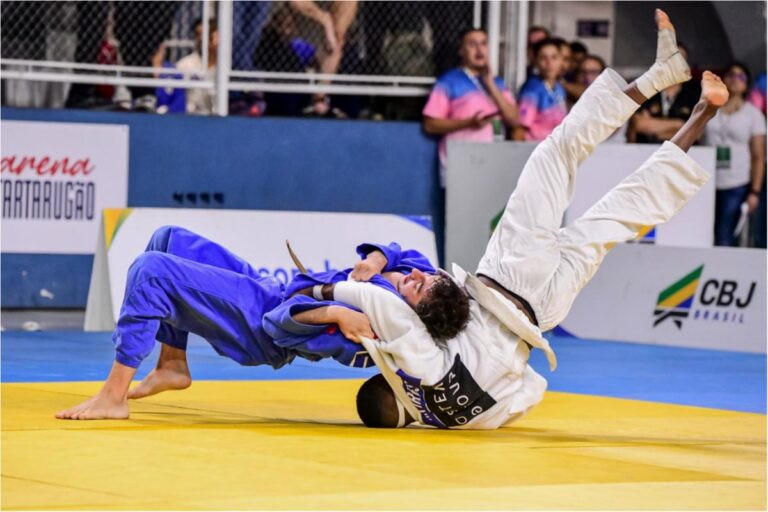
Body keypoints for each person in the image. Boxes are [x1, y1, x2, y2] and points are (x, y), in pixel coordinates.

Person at [335, 10, 728, 429]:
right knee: (557, 154)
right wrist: (336, 293)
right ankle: (657, 76)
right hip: (508, 278)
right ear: (392, 387)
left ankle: (701, 113)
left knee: (620, 215)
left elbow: (529, 392)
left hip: (544, 315)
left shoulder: (472, 420)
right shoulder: (418, 366)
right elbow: (375, 304)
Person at [55, 226, 469, 420]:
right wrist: (379, 260)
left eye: (417, 287)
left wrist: (336, 312)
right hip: (271, 289)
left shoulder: (378, 324)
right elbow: (403, 252)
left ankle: (113, 395)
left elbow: (280, 327)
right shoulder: (415, 275)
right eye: (425, 277)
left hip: (261, 327)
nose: (415, 276)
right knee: (167, 239)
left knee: (152, 270)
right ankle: (172, 364)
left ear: (413, 313)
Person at [422, 27, 519, 186]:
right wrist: (468, 123)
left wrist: (491, 85)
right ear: (461, 50)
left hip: (493, 162)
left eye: (483, 43)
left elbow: (514, 120)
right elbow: (430, 124)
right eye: (472, 44)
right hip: (459, 163)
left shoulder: (498, 83)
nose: (479, 49)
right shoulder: (448, 81)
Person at [703, 62, 767, 246]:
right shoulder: (709, 108)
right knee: (702, 232)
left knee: (724, 235)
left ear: (747, 84)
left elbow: (758, 155)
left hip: (736, 183)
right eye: (731, 75)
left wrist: (755, 191)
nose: (735, 80)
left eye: (741, 77)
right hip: (707, 181)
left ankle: (718, 272)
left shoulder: (753, 115)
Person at [627, 42, 700, 143]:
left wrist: (655, 130)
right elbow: (639, 124)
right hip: (644, 153)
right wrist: (678, 124)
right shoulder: (643, 88)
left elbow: (696, 133)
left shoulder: (696, 92)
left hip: (683, 154)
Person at [514, 38, 568, 141]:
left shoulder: (560, 89)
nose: (549, 63)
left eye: (554, 57)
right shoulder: (532, 90)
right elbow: (519, 131)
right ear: (536, 61)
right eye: (543, 58)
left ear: (561, 60)